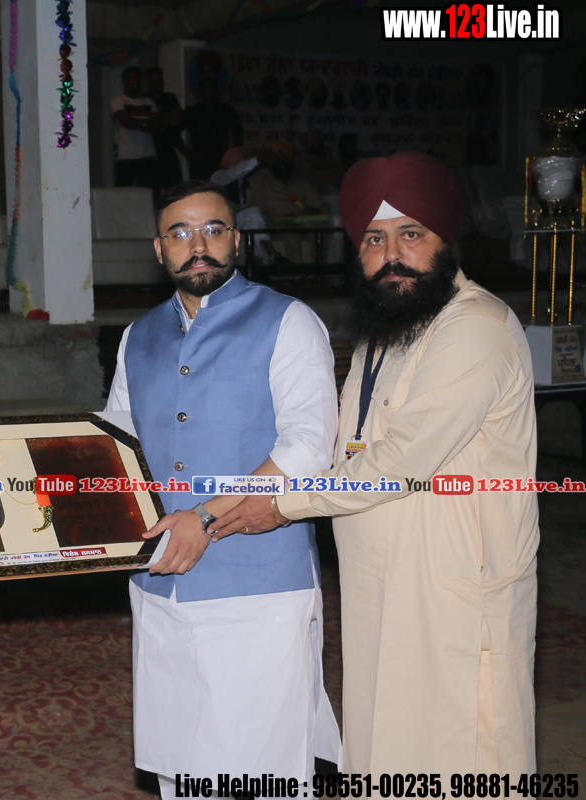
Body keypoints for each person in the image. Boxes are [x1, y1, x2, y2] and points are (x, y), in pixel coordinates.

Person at [212, 152, 539, 779]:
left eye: (410, 234)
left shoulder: (476, 328)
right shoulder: (387, 328)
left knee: (459, 751)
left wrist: (280, 504)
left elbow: (400, 461)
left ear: (445, 239)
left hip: (454, 584)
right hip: (377, 581)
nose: (392, 255)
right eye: (373, 239)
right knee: (384, 738)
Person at [105, 179, 341, 796]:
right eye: (180, 232)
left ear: (236, 239)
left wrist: (205, 517)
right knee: (179, 763)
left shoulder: (288, 320)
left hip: (258, 585)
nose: (198, 245)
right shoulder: (137, 337)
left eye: (213, 229)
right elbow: (117, 450)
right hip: (160, 582)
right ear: (159, 249)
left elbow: (308, 445)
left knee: (258, 770)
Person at [181, 77, 243, 185]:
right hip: (200, 163)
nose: (211, 92)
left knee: (223, 191)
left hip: (221, 161)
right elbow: (173, 133)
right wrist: (188, 154)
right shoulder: (192, 112)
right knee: (200, 191)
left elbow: (238, 132)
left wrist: (233, 155)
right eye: (208, 89)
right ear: (202, 92)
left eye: (214, 89)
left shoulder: (226, 110)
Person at [110, 66, 159, 190]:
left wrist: (134, 122)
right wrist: (146, 123)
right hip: (127, 156)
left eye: (138, 78)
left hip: (148, 156)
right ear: (124, 81)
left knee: (150, 194)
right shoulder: (118, 101)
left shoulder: (149, 101)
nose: (136, 81)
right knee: (123, 194)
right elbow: (126, 122)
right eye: (132, 78)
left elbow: (157, 125)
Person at [144, 66, 187, 194]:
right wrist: (166, 118)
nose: (158, 83)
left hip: (168, 149)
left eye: (160, 80)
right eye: (154, 80)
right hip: (149, 151)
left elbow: (178, 120)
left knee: (175, 190)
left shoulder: (169, 98)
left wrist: (157, 120)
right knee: (151, 192)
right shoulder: (143, 99)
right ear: (148, 82)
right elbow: (145, 123)